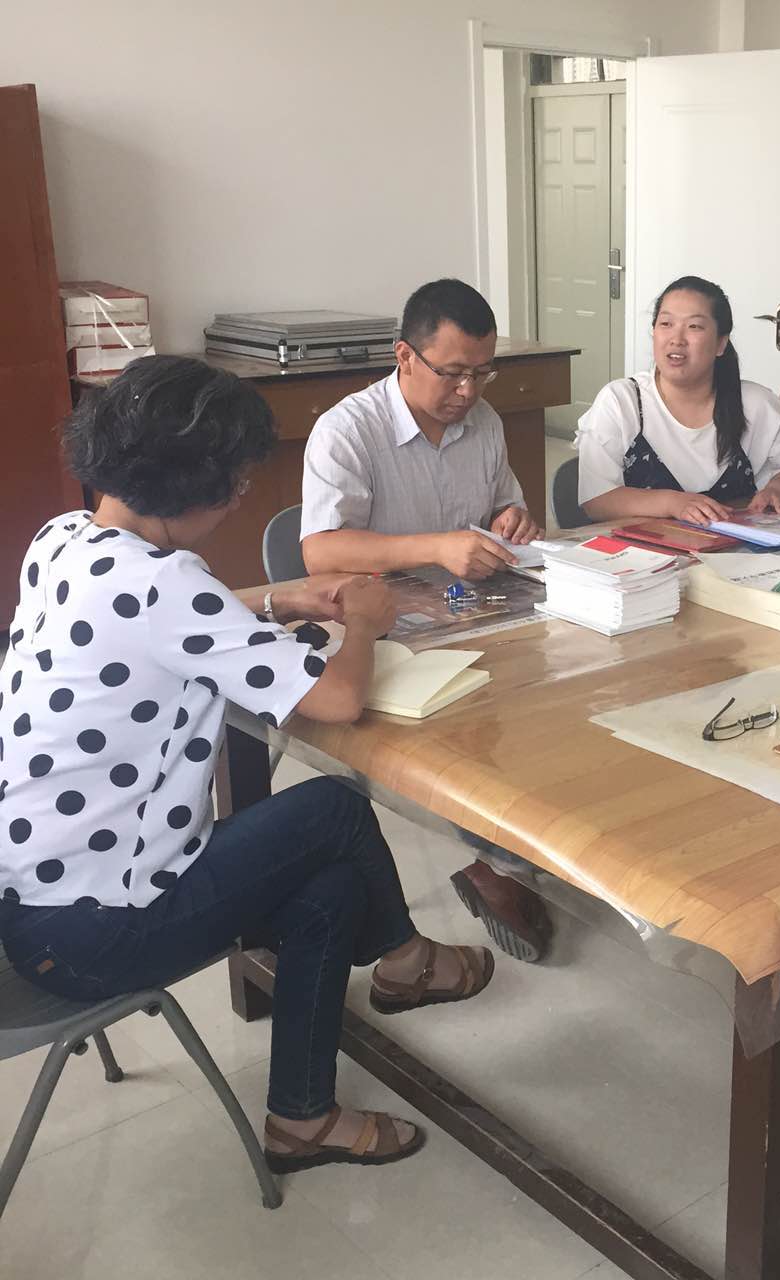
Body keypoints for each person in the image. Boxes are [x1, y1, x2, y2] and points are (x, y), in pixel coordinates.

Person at [0, 356, 496, 1173]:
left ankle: (303, 1117)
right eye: (232, 482)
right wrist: (364, 624)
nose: (238, 499)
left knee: (329, 889)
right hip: (103, 930)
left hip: (33, 909)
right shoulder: (168, 584)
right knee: (334, 807)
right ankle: (408, 960)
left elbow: (160, 620)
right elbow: (338, 699)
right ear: (188, 482)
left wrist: (277, 597)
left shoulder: (62, 538)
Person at [300, 278, 552, 964]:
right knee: (464, 715)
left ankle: (514, 853)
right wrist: (436, 547)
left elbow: (504, 509)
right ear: (405, 355)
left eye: (482, 372)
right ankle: (496, 864)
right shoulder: (348, 429)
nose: (468, 391)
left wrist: (512, 519)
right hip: (378, 623)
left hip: (475, 607)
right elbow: (321, 551)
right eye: (453, 373)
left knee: (551, 691)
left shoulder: (486, 422)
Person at [576, 275, 780, 525]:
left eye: (694, 327)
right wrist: (673, 503)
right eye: (666, 323)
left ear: (721, 344)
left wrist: (777, 490)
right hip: (640, 548)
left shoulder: (754, 403)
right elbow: (596, 500)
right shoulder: (622, 401)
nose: (677, 339)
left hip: (738, 547)